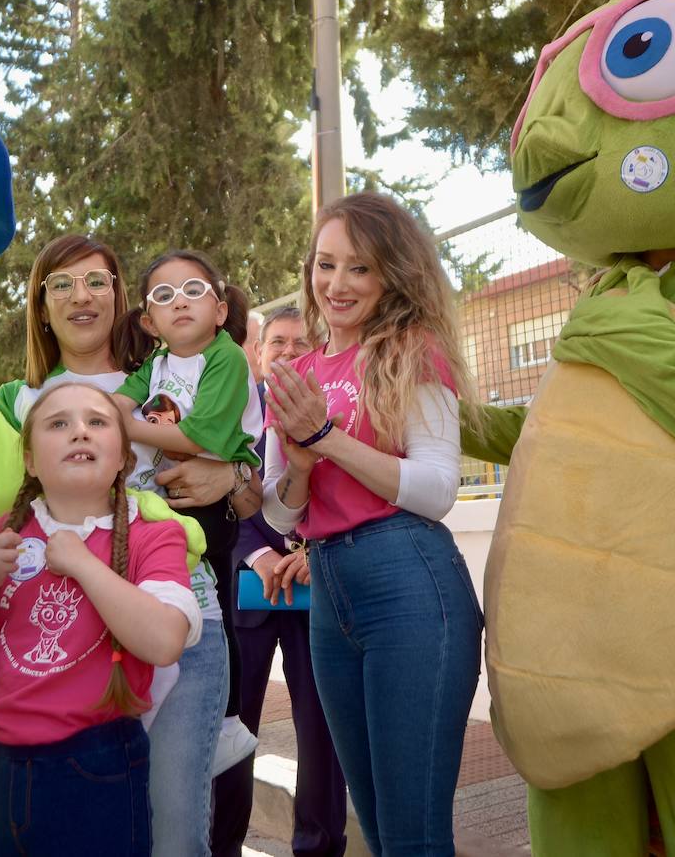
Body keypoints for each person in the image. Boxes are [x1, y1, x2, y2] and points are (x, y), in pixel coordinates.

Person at [0, 234, 260, 857]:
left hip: (182, 608)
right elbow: (3, 517)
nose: (80, 296)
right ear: (40, 304)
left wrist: (232, 477)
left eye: (97, 281)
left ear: (120, 297)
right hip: (63, 631)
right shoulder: (17, 401)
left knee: (178, 823)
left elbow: (256, 495)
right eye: (61, 284)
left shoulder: (171, 374)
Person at [264, 192, 483, 856]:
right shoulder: (296, 374)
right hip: (330, 593)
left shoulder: (412, 351)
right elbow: (281, 511)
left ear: (391, 273)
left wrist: (325, 437)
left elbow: (437, 488)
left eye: (358, 268)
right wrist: (301, 463)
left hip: (410, 582)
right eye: (324, 266)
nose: (336, 284)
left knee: (413, 837)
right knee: (379, 832)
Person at [0, 383, 200, 856]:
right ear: (30, 460)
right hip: (0, 769)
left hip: (99, 767)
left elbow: (165, 640)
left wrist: (83, 564)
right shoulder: (4, 532)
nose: (80, 433)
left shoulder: (154, 535)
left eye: (97, 422)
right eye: (59, 424)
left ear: (124, 460)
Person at [113, 250, 265, 776]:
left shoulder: (226, 358)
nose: (180, 302)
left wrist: (128, 428)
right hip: (172, 501)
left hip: (214, 504)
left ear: (220, 311)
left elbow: (200, 436)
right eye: (164, 296)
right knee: (174, 602)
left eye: (194, 292)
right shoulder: (156, 365)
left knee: (214, 608)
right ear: (149, 322)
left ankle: (227, 722)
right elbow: (120, 403)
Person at [212, 307, 348, 857]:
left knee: (322, 735)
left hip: (318, 589)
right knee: (232, 732)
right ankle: (222, 844)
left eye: (301, 343)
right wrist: (258, 554)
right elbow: (218, 497)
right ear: (258, 353)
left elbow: (349, 495)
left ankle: (319, 846)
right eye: (277, 344)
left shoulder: (338, 411)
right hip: (250, 593)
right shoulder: (232, 415)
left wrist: (314, 551)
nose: (289, 353)